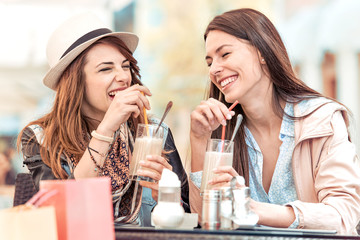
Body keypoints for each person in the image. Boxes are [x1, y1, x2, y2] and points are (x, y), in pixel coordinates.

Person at [189, 8, 360, 235]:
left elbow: (343, 215)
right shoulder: (221, 131)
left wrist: (251, 208)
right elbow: (205, 222)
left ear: (262, 52)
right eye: (209, 62)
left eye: (225, 54)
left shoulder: (321, 119)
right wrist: (199, 140)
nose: (214, 69)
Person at [17, 13, 190, 227]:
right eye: (106, 69)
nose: (123, 77)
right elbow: (61, 217)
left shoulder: (154, 131)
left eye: (125, 66)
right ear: (75, 83)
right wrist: (107, 128)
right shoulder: (41, 137)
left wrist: (168, 199)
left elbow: (189, 219)